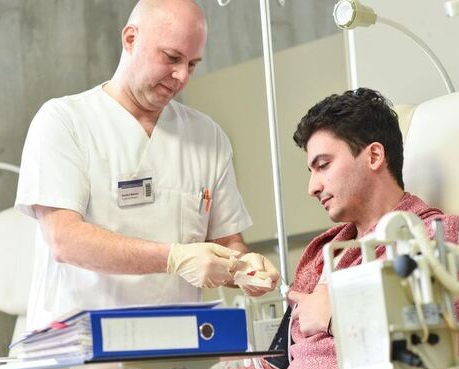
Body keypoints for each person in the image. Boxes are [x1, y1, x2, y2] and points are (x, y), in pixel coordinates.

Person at [15, 0, 278, 332]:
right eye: (171, 57)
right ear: (130, 39)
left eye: (193, 64)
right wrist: (174, 258)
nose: (182, 76)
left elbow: (227, 242)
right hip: (82, 345)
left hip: (181, 344)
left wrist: (244, 268)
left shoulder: (206, 136)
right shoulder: (64, 122)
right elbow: (65, 240)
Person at [222, 88, 459, 369]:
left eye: (323, 165)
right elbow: (272, 367)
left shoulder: (436, 237)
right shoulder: (322, 253)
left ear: (374, 156)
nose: (312, 187)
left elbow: (429, 358)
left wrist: (335, 317)